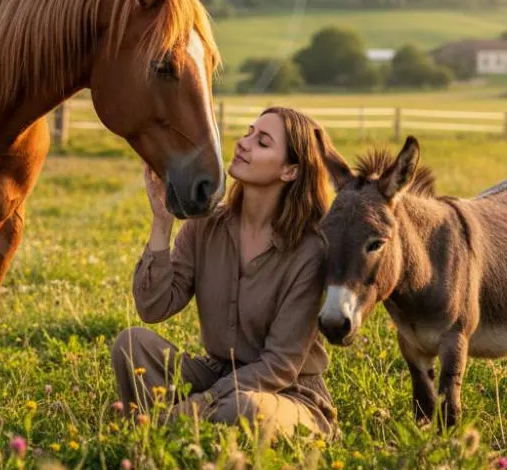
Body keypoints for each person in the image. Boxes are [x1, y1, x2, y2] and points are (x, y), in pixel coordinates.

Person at [111, 106, 338, 441]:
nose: (243, 143)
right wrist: (162, 220)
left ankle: (173, 426)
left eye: (262, 142)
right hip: (216, 374)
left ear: (290, 170)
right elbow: (153, 307)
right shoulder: (205, 225)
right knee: (131, 344)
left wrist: (201, 403)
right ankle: (184, 428)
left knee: (244, 410)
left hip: (287, 393)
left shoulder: (310, 251)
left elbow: (280, 365)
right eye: (247, 133)